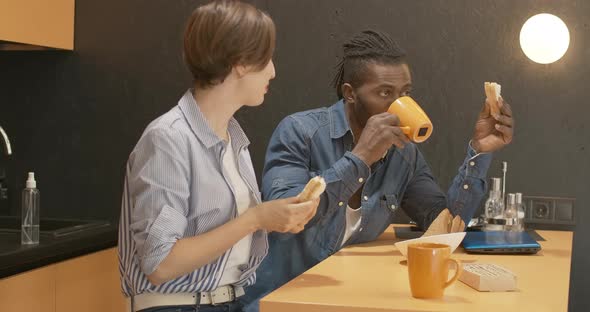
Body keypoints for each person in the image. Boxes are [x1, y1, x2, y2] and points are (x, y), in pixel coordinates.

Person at [242, 29, 514, 311]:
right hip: (279, 301)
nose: (399, 104)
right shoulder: (300, 132)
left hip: (349, 301)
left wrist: (480, 151)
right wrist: (360, 157)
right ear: (350, 94)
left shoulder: (403, 153)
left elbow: (445, 227)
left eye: (405, 93)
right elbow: (285, 215)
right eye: (385, 92)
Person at [117, 1, 319, 311]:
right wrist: (255, 218)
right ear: (240, 62)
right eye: (266, 59)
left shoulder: (232, 139)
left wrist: (275, 218)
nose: (274, 71)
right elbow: (160, 264)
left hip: (229, 302)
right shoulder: (169, 139)